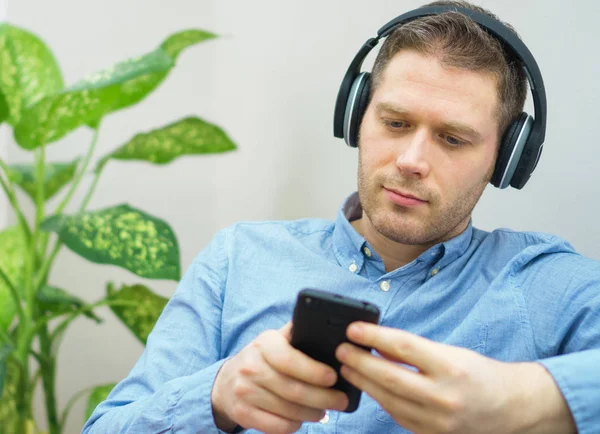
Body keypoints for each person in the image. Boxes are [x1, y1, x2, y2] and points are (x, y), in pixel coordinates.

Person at [82, 1, 600, 433]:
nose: (412, 161)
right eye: (395, 122)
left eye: (453, 139)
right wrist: (214, 397)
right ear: (356, 117)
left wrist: (523, 397)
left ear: (505, 159)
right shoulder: (236, 258)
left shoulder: (540, 282)